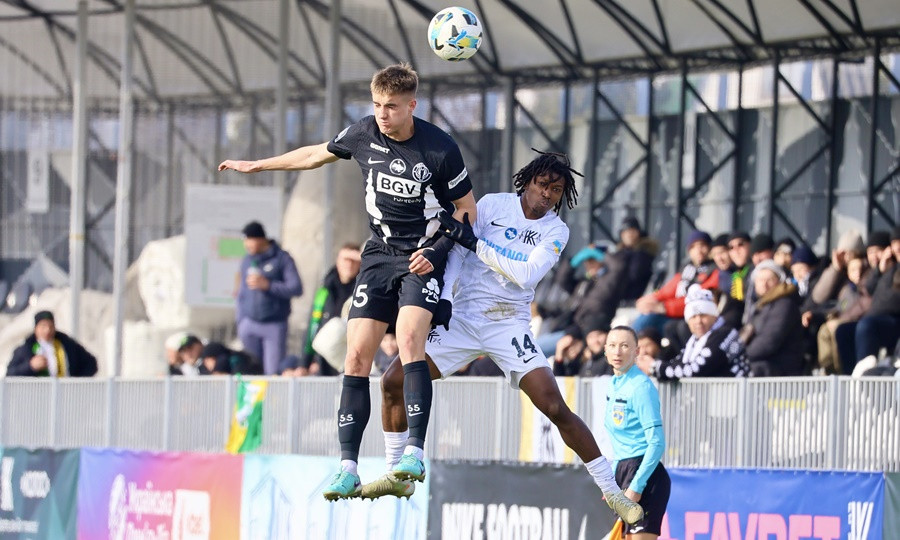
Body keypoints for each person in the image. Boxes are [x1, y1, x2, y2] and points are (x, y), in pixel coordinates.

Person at [219, 63, 477, 500]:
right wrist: (258, 165)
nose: (382, 114)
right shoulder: (363, 133)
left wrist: (436, 252)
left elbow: (467, 209)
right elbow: (313, 155)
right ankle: (348, 468)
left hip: (422, 256)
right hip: (377, 255)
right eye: (376, 105)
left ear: (411, 105)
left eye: (391, 106)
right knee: (355, 355)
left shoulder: (440, 148)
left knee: (409, 340)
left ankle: (414, 452)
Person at [359, 151, 644, 525]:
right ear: (527, 182)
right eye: (543, 185)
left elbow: (525, 275)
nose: (548, 194)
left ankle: (613, 492)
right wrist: (445, 299)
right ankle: (397, 474)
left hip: (508, 324)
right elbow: (458, 253)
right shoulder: (493, 205)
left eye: (556, 190)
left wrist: (476, 244)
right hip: (463, 318)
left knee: (554, 406)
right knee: (392, 381)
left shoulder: (557, 230)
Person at [604, 326, 671, 539]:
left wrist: (636, 486)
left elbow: (657, 443)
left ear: (636, 351)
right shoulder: (613, 385)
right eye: (612, 345)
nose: (617, 352)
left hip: (645, 475)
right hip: (623, 473)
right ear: (605, 350)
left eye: (625, 346)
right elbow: (619, 442)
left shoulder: (641, 387)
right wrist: (612, 482)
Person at [235, 221, 303, 376]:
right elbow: (241, 293)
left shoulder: (282, 259)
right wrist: (240, 321)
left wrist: (268, 285)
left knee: (271, 373)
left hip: (273, 324)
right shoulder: (247, 260)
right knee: (250, 370)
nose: (246, 245)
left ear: (260, 239)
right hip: (249, 323)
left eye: (249, 240)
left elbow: (296, 288)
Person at [653, 285, 750, 380]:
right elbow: (680, 363)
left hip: (737, 390)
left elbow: (696, 370)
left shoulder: (725, 334)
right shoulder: (693, 342)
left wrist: (657, 368)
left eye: (703, 315)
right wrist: (654, 365)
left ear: (714, 316)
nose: (698, 321)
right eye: (693, 317)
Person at [299, 243, 361, 376]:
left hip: (350, 353)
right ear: (338, 261)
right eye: (345, 259)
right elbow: (312, 327)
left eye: (354, 261)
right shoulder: (324, 290)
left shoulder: (363, 290)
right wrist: (305, 363)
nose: (349, 264)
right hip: (324, 356)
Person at [740, 260, 804, 376]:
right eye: (760, 280)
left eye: (769, 280)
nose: (764, 284)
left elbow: (768, 342)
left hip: (778, 370)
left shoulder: (784, 305)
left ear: (779, 281)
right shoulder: (760, 306)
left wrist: (741, 356)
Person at [7, 310, 98, 377]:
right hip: (37, 394)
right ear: (36, 328)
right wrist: (30, 366)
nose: (47, 330)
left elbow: (91, 363)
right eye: (43, 326)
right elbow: (10, 374)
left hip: (65, 393)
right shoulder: (25, 349)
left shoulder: (67, 344)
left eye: (50, 326)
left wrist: (75, 382)